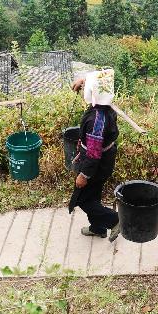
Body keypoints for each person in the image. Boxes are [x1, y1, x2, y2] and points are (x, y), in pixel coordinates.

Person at [69, 69, 121, 241]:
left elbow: (93, 154)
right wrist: (83, 80)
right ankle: (98, 228)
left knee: (83, 199)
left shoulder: (96, 121)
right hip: (105, 161)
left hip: (96, 165)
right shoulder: (105, 107)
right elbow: (103, 78)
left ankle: (115, 220)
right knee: (94, 194)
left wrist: (83, 175)